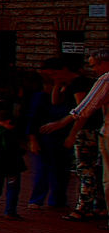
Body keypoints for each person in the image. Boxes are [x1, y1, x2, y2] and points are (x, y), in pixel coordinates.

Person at [43, 48, 109, 221]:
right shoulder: (72, 83)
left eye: (94, 65)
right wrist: (58, 84)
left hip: (90, 132)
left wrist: (70, 131)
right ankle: (99, 206)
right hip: (96, 130)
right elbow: (56, 101)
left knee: (87, 169)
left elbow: (84, 109)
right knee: (98, 170)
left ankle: (86, 206)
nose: (93, 69)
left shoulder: (98, 80)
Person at [27, 68, 76, 213]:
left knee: (61, 170)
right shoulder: (40, 98)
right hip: (45, 139)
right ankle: (37, 199)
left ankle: (58, 199)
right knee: (43, 169)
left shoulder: (64, 100)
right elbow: (33, 119)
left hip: (60, 138)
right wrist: (33, 140)